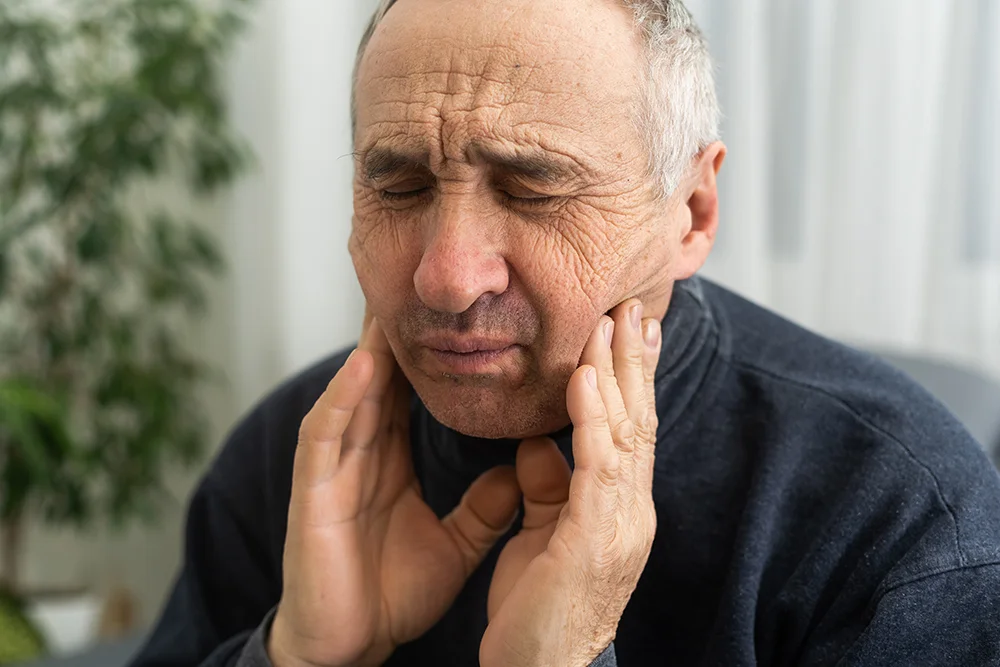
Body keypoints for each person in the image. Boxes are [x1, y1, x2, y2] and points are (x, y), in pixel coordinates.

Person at [129, 0, 1000, 665]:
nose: (447, 275)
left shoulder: (901, 516)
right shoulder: (297, 454)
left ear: (691, 214)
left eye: (533, 189)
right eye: (397, 188)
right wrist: (293, 654)